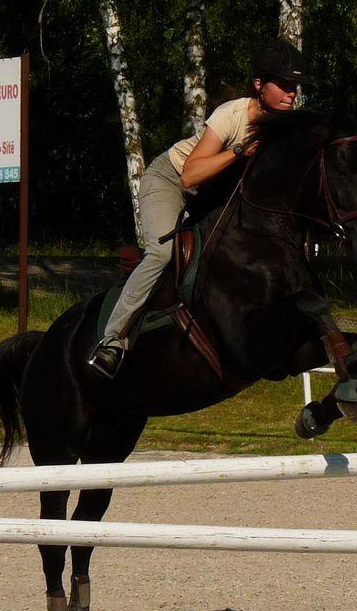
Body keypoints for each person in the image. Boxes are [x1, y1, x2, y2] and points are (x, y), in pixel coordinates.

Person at [87, 39, 309, 379]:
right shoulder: (232, 114)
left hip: (211, 195)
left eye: (295, 86)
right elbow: (191, 174)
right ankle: (112, 341)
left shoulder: (286, 125)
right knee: (162, 253)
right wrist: (239, 151)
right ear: (259, 84)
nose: (291, 93)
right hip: (171, 180)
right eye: (283, 84)